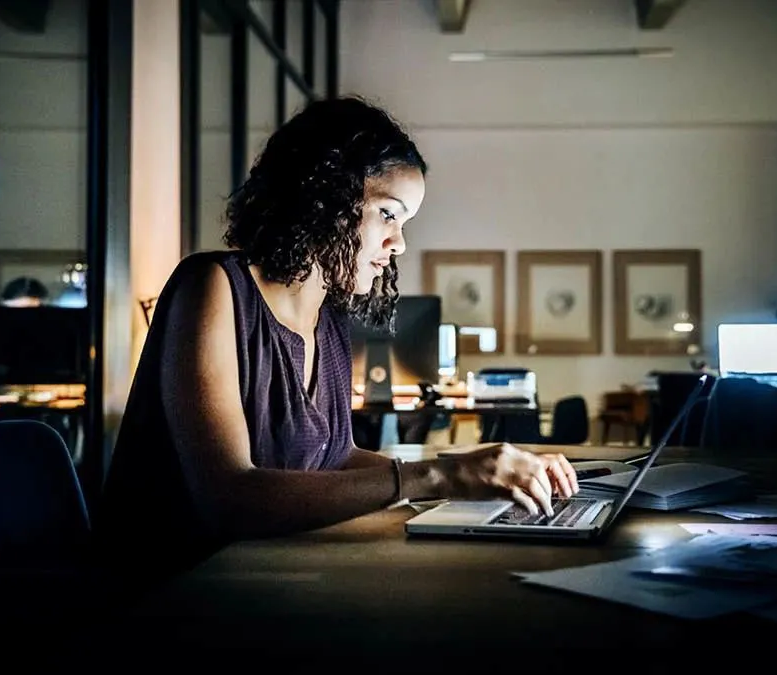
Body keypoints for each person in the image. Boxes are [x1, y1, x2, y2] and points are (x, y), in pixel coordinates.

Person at [94, 96, 579, 595]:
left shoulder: (327, 319)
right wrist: (438, 477)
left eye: (404, 223)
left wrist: (473, 469)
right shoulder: (212, 286)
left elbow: (336, 457)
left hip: (264, 579)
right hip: (169, 594)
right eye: (388, 214)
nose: (399, 244)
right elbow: (229, 495)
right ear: (324, 197)